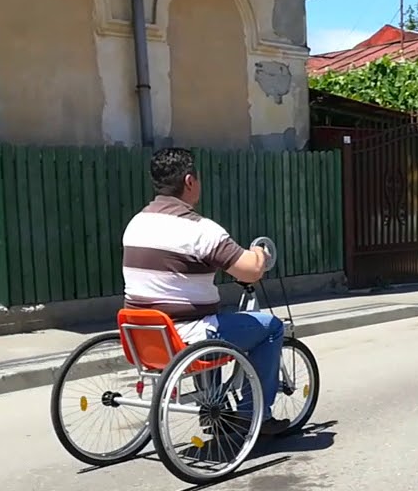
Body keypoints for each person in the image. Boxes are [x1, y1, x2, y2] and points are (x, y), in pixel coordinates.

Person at [122, 147, 291, 436]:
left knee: (213, 318)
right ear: (190, 181)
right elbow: (250, 270)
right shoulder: (199, 230)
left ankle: (214, 407)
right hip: (187, 336)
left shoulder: (136, 223)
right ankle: (255, 415)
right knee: (271, 328)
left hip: (144, 335)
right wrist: (259, 254)